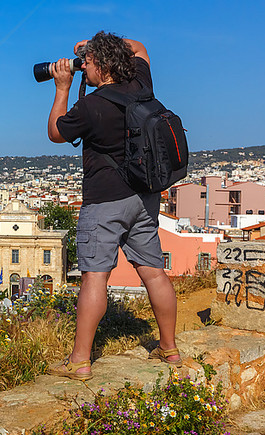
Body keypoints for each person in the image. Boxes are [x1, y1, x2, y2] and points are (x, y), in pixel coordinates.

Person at [45, 31, 180, 380]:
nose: (82, 67)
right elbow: (141, 47)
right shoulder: (141, 81)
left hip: (105, 201)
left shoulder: (91, 106)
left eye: (87, 63)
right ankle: (170, 349)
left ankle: (79, 361)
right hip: (144, 197)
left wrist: (62, 86)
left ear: (102, 66)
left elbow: (56, 132)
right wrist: (93, 43)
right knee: (153, 272)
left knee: (95, 278)